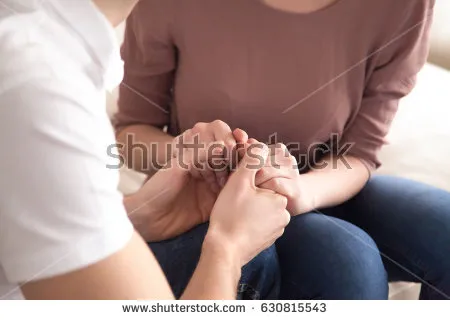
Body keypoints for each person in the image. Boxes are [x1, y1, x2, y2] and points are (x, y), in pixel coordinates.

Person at [115, 0, 450, 299]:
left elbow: (360, 151)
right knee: (348, 261)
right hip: (198, 199)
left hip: (321, 187)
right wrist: (184, 153)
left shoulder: (405, 6)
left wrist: (300, 191)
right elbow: (131, 132)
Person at [0, 0, 290, 300]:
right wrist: (228, 248)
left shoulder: (38, 43)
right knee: (258, 261)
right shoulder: (38, 85)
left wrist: (138, 213)